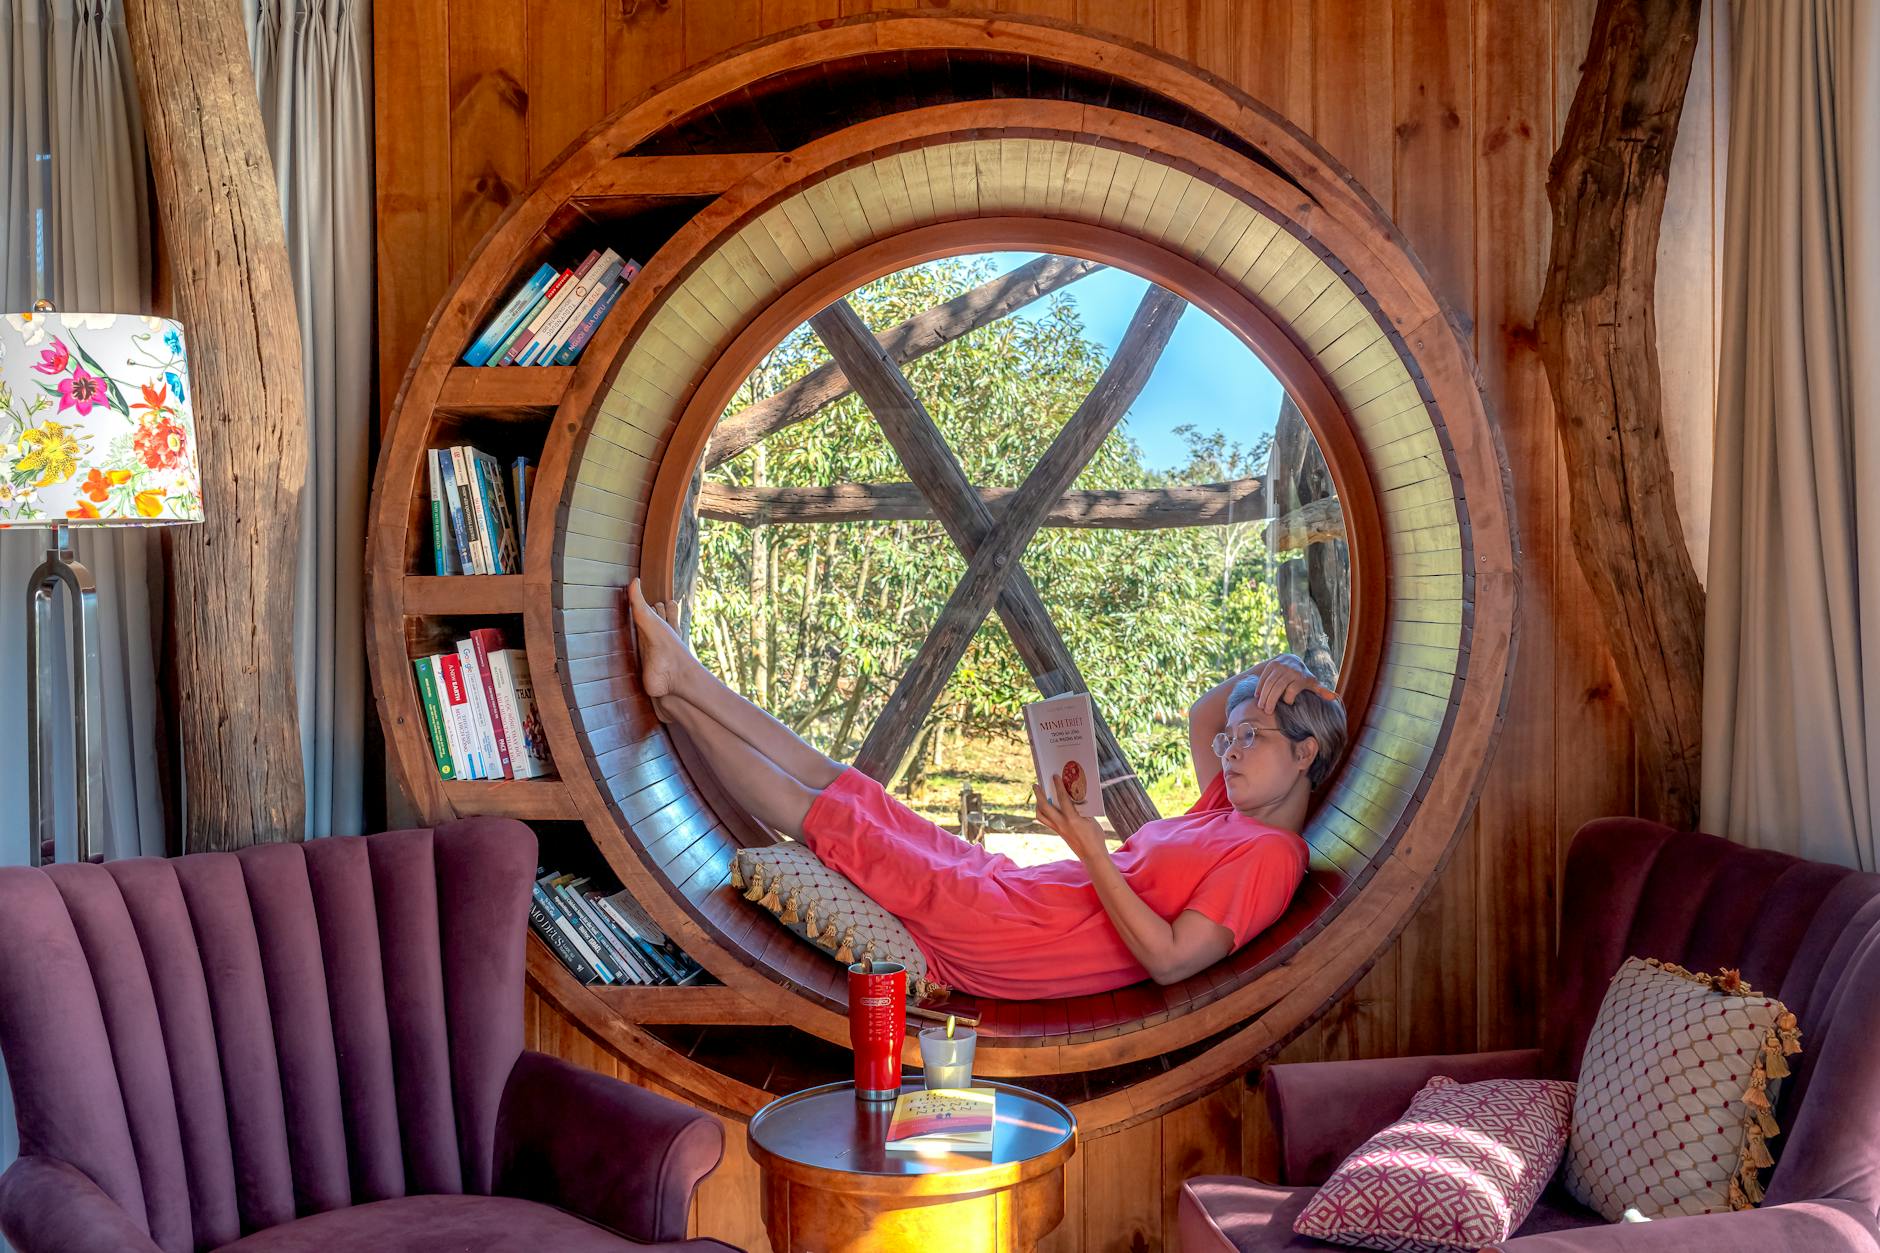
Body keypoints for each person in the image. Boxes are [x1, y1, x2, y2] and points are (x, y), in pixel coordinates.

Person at [628, 579, 1346, 1000]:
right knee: (853, 790)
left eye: (1252, 737)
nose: (1230, 748)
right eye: (1237, 736)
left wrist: (1090, 846)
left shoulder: (1271, 857)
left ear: (1305, 753)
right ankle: (685, 694)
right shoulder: (1234, 804)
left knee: (832, 821)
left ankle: (687, 687)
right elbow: (1204, 716)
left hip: (1010, 938)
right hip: (1013, 890)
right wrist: (1275, 665)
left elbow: (1169, 959)